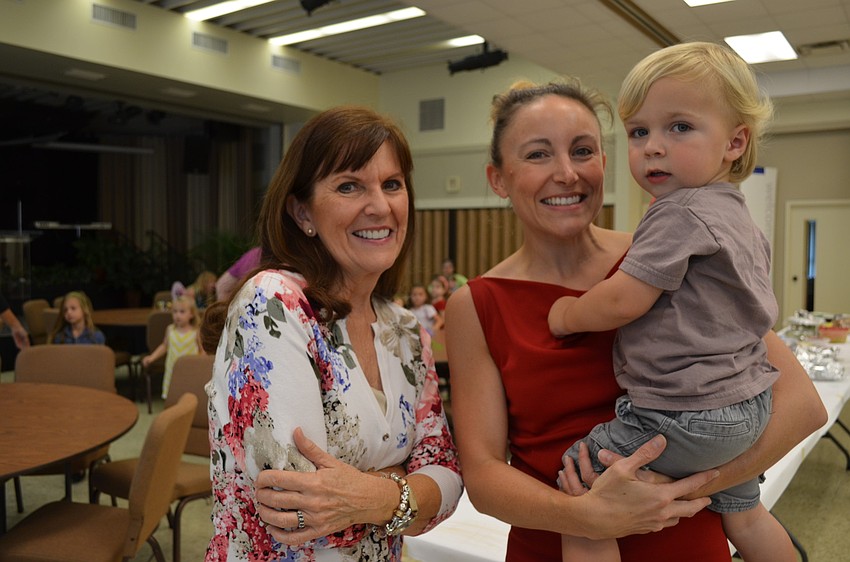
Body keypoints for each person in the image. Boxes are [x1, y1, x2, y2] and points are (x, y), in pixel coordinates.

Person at [444, 78, 826, 562]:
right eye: (538, 155)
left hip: (686, 538)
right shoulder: (477, 304)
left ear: (604, 164)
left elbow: (803, 408)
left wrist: (667, 493)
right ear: (498, 178)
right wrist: (588, 516)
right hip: (554, 541)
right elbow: (483, 477)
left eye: (582, 151)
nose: (566, 173)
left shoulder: (665, 256)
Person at [547, 41, 795, 562]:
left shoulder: (677, 212)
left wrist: (568, 314)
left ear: (734, 141)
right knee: (745, 514)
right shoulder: (738, 216)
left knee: (582, 484)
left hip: (685, 412)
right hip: (748, 407)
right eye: (640, 131)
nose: (653, 146)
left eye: (679, 127)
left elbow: (623, 301)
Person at [201, 106, 462, 561]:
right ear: (302, 211)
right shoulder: (275, 303)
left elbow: (449, 479)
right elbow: (297, 514)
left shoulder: (405, 331)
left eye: (392, 184)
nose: (380, 205)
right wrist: (404, 490)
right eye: (349, 186)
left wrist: (362, 495)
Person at [142, 294, 202, 399]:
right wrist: (152, 358)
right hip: (172, 370)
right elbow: (164, 346)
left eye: (182, 312)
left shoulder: (195, 332)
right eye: (175, 312)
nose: (177, 315)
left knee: (190, 398)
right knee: (173, 396)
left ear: (191, 314)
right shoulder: (170, 330)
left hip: (190, 371)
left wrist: (200, 366)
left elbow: (202, 351)